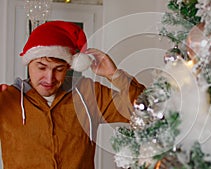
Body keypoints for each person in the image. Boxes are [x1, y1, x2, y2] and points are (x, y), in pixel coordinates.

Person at [0, 20, 145, 168]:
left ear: (69, 67)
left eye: (59, 69)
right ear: (29, 63)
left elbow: (146, 111)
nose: (49, 78)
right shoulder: (6, 98)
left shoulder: (89, 93)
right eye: (41, 68)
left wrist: (114, 74)